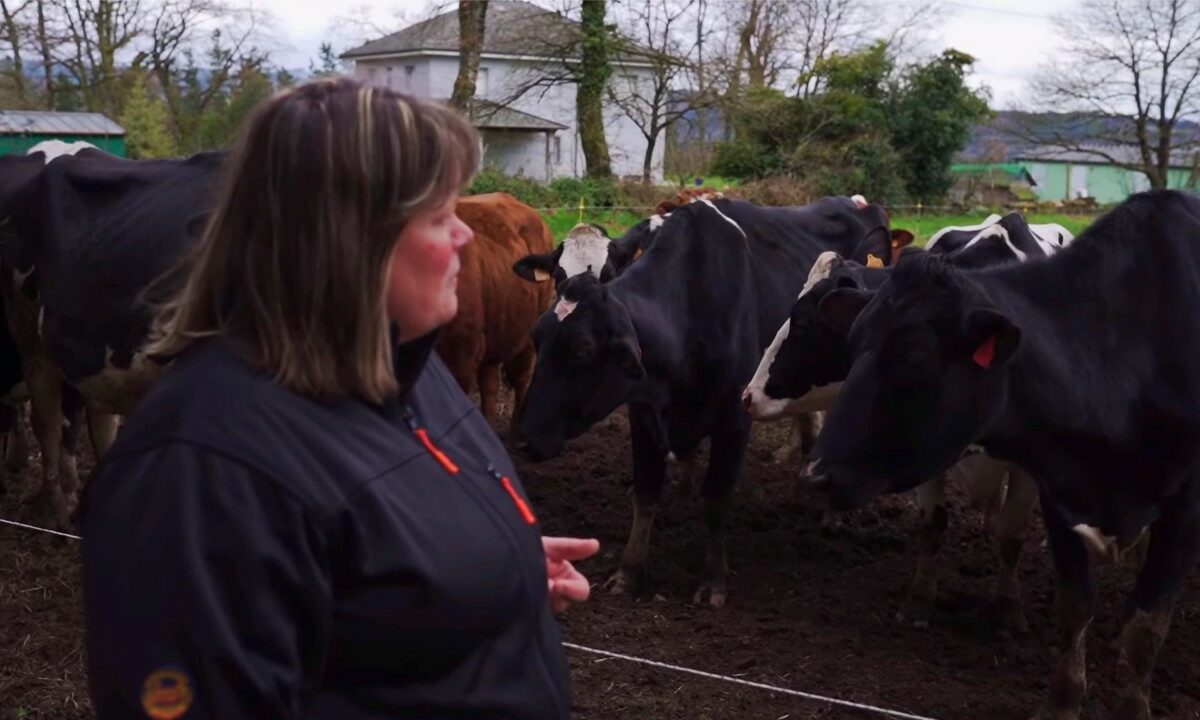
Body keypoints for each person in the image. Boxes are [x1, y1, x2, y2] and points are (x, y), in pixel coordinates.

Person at [79, 77, 599, 720]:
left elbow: (375, 561)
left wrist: (498, 567)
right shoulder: (201, 471)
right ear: (352, 242)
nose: (467, 238)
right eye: (441, 218)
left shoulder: (410, 368)